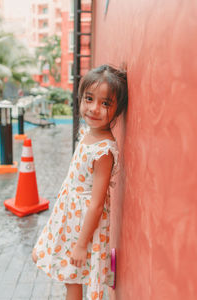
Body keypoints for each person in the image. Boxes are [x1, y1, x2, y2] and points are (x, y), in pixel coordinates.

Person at [32, 64, 128, 300]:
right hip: (70, 217)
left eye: (105, 103)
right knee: (67, 275)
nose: (94, 108)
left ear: (118, 110)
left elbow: (97, 204)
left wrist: (81, 245)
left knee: (72, 277)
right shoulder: (88, 132)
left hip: (83, 223)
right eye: (89, 99)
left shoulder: (104, 150)